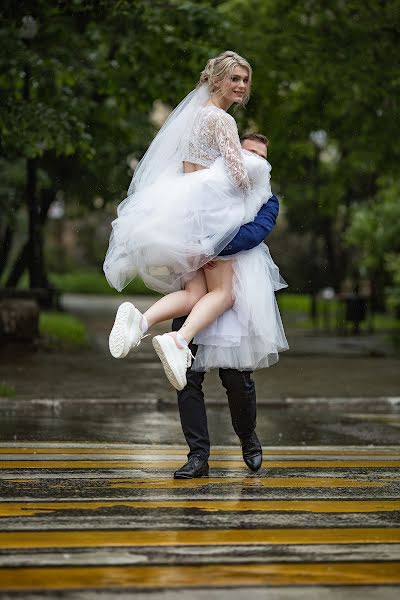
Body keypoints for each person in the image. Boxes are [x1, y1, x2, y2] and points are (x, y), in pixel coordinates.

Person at [104, 51, 287, 402]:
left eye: (245, 80)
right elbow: (236, 173)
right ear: (216, 79)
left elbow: (190, 165)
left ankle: (139, 323)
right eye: (234, 78)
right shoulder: (222, 120)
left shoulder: (193, 117)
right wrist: (255, 187)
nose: (241, 85)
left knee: (195, 295)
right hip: (210, 216)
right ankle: (177, 339)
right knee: (225, 293)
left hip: (184, 213)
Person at [172, 133, 279, 478]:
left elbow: (254, 234)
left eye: (261, 157)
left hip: (238, 290)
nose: (253, 160)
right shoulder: (209, 184)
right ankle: (198, 455)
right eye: (247, 152)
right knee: (187, 375)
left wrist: (210, 247)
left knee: (236, 379)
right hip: (198, 284)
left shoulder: (268, 200)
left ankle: (248, 437)